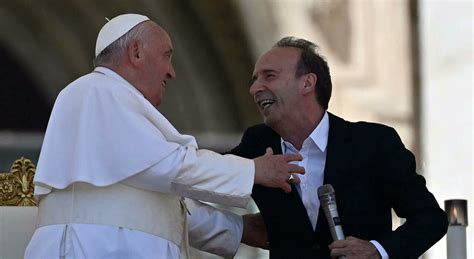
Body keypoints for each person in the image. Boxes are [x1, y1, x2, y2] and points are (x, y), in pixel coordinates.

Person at [25, 14, 305, 259]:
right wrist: (253, 169)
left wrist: (237, 229)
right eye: (166, 56)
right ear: (136, 53)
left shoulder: (117, 104)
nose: (171, 72)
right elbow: (171, 167)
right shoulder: (97, 90)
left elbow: (165, 205)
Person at [229, 37, 448, 258]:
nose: (254, 88)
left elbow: (430, 219)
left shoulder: (373, 142)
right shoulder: (256, 145)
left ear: (307, 83)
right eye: (255, 79)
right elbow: (201, 179)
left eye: (270, 76)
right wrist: (235, 227)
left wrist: (377, 250)